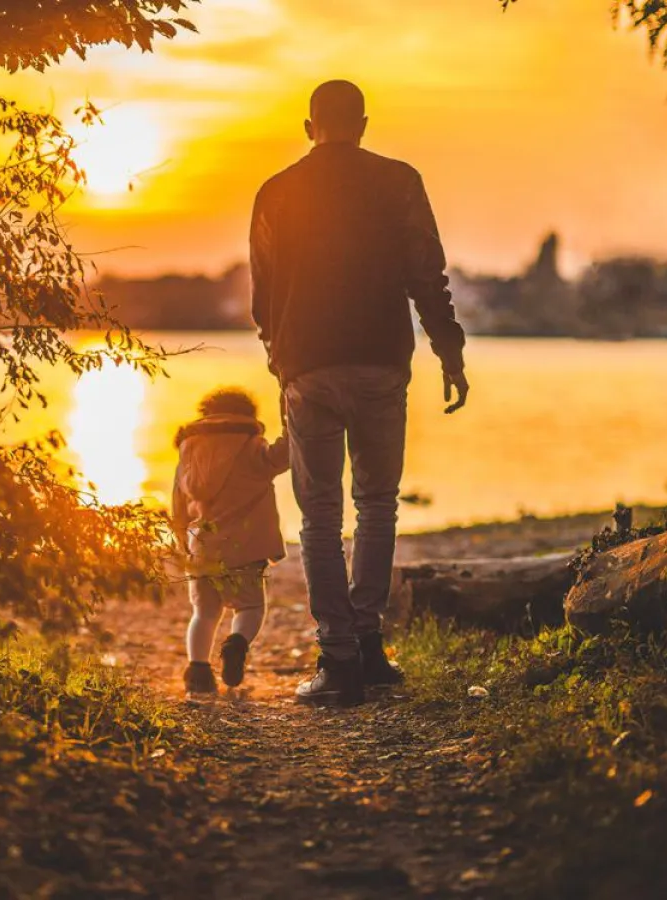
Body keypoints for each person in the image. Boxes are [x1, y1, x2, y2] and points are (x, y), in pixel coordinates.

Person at [250, 79, 469, 706]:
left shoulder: (275, 191)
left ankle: (339, 657)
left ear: (308, 126)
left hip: (308, 368)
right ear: (364, 124)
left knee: (319, 515)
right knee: (377, 503)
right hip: (379, 360)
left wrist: (279, 361)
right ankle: (369, 646)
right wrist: (448, 350)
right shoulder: (399, 181)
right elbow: (427, 273)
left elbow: (263, 295)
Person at [171, 387, 291, 695]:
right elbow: (286, 455)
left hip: (202, 548)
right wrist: (290, 417)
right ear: (247, 416)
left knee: (205, 613)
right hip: (246, 548)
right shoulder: (253, 446)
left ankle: (198, 671)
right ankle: (237, 645)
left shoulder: (188, 450)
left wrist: (182, 538)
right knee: (249, 607)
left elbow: (177, 503)